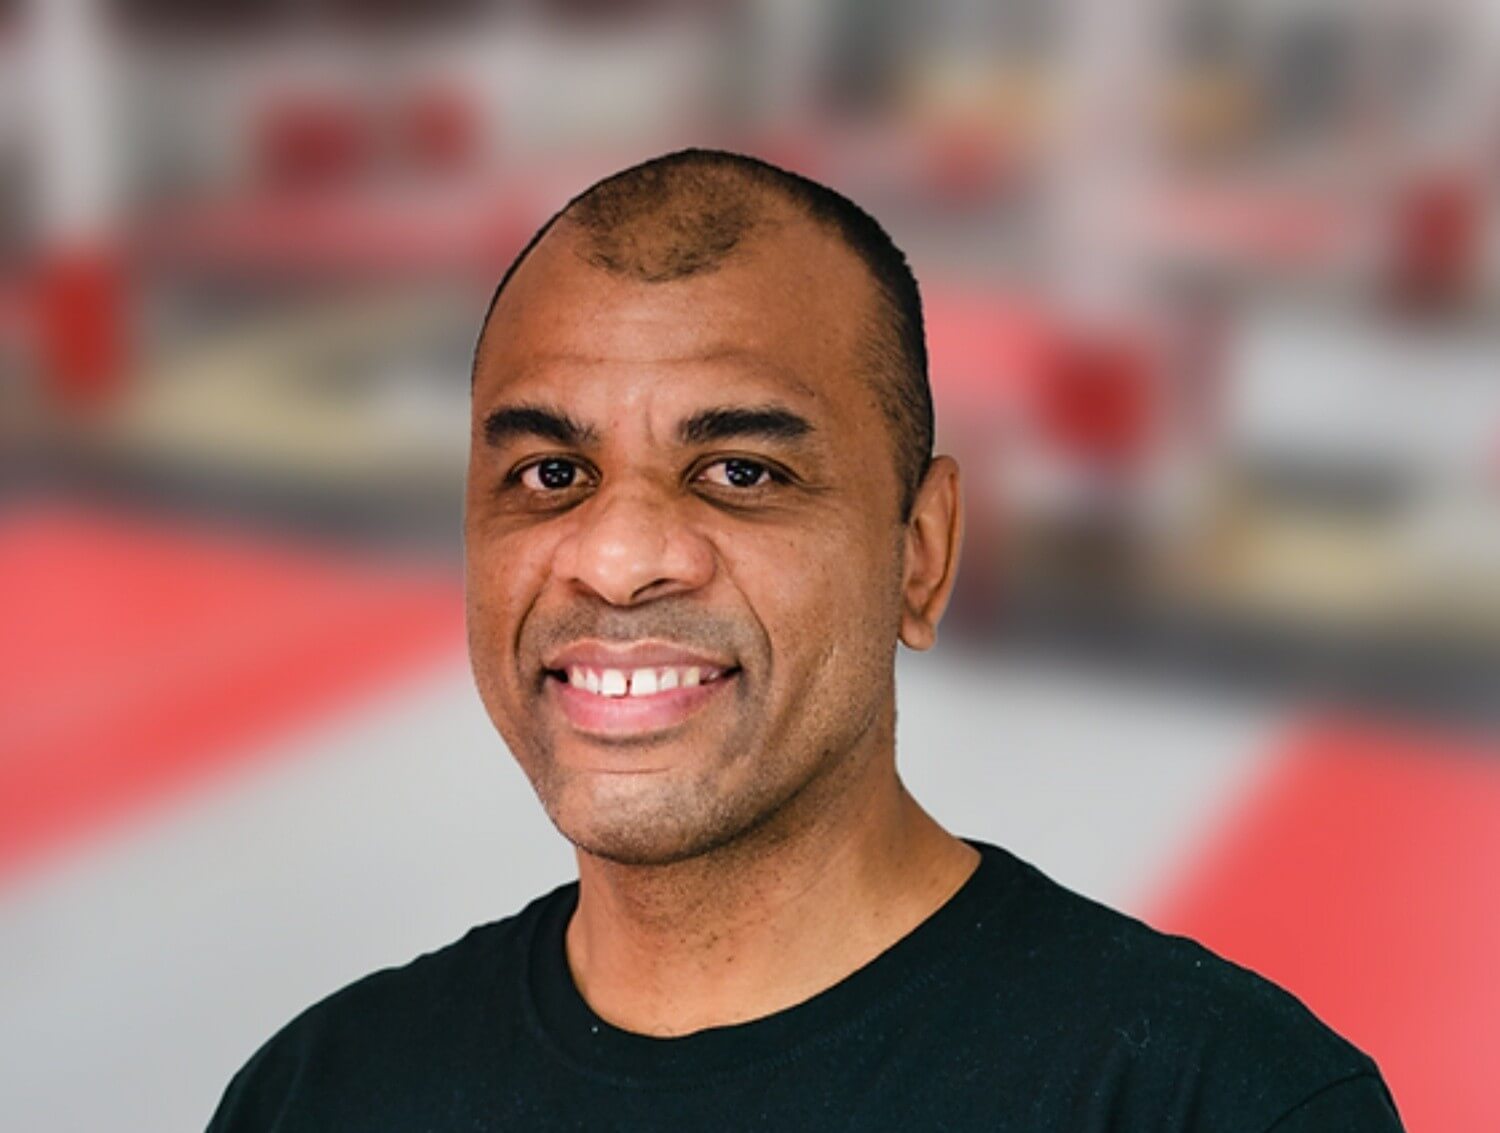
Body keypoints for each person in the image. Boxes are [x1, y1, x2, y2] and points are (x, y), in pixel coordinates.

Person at [208, 149, 1404, 1131]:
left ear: (921, 553)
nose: (616, 557)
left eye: (741, 471)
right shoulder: (318, 1094)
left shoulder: (1223, 1101)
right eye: (551, 472)